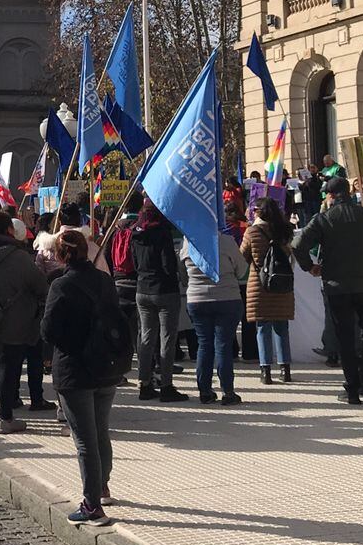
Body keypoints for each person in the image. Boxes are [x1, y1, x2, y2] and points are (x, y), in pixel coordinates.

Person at [294, 176, 363, 405]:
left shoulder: (324, 218)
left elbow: (298, 245)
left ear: (331, 196)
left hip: (337, 286)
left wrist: (310, 267)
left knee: (345, 337)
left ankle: (351, 388)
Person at [41, 230, 124, 526]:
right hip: (106, 365)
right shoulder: (104, 280)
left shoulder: (61, 285)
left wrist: (68, 345)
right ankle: (102, 486)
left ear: (61, 256)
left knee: (85, 439)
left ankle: (92, 505)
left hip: (75, 369)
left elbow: (48, 329)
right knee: (101, 430)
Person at [0, 210, 50, 433]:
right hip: (14, 321)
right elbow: (40, 286)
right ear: (8, 230)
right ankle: (5, 417)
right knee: (8, 368)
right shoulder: (19, 256)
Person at [125, 201, 187, 402]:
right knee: (167, 338)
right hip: (165, 290)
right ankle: (167, 384)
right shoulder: (162, 233)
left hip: (142, 289)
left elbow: (134, 263)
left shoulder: (134, 234)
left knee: (146, 338)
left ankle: (144, 383)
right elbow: (168, 264)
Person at [180, 229, 249, 405]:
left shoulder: (188, 243)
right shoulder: (226, 242)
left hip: (197, 298)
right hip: (227, 297)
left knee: (204, 344)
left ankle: (205, 391)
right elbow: (242, 270)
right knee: (223, 345)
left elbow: (182, 274)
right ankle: (228, 391)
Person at [241, 198, 295, 385]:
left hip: (260, 285)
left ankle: (266, 371)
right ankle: (285, 369)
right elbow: (290, 255)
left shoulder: (252, 232)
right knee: (282, 327)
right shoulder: (285, 231)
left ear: (259, 212)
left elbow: (243, 258)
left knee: (262, 328)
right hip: (282, 284)